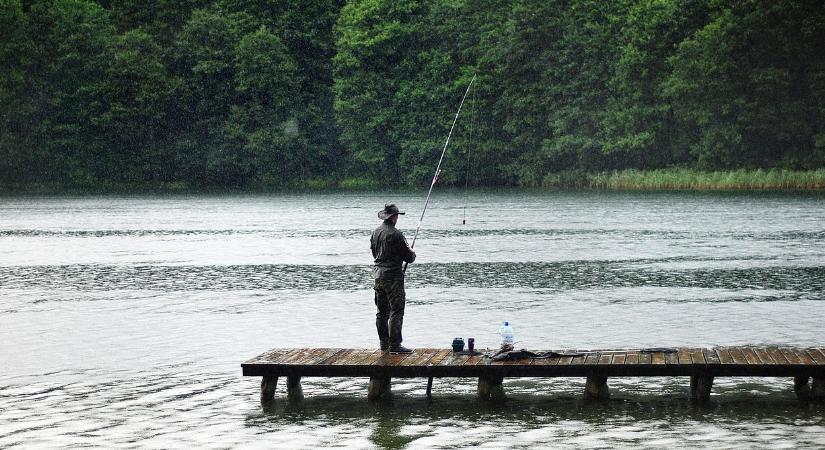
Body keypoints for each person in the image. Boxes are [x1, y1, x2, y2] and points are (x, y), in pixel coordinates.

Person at [371, 203, 416, 353]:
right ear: (394, 217)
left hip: (378, 276)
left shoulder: (375, 232)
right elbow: (409, 257)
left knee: (381, 311)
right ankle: (395, 345)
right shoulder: (396, 234)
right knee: (396, 310)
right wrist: (412, 253)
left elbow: (374, 254)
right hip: (393, 278)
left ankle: (384, 343)